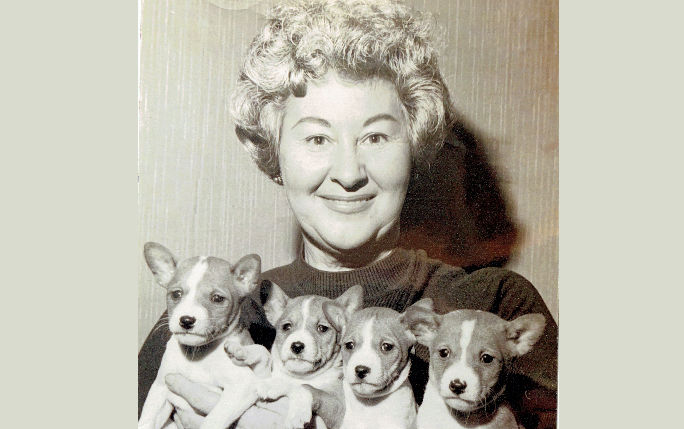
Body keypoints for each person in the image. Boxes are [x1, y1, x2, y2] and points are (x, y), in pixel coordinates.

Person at [138, 0, 558, 428]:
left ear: (413, 147)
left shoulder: (493, 304)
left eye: (375, 136)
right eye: (317, 138)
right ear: (273, 150)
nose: (348, 173)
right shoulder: (215, 312)